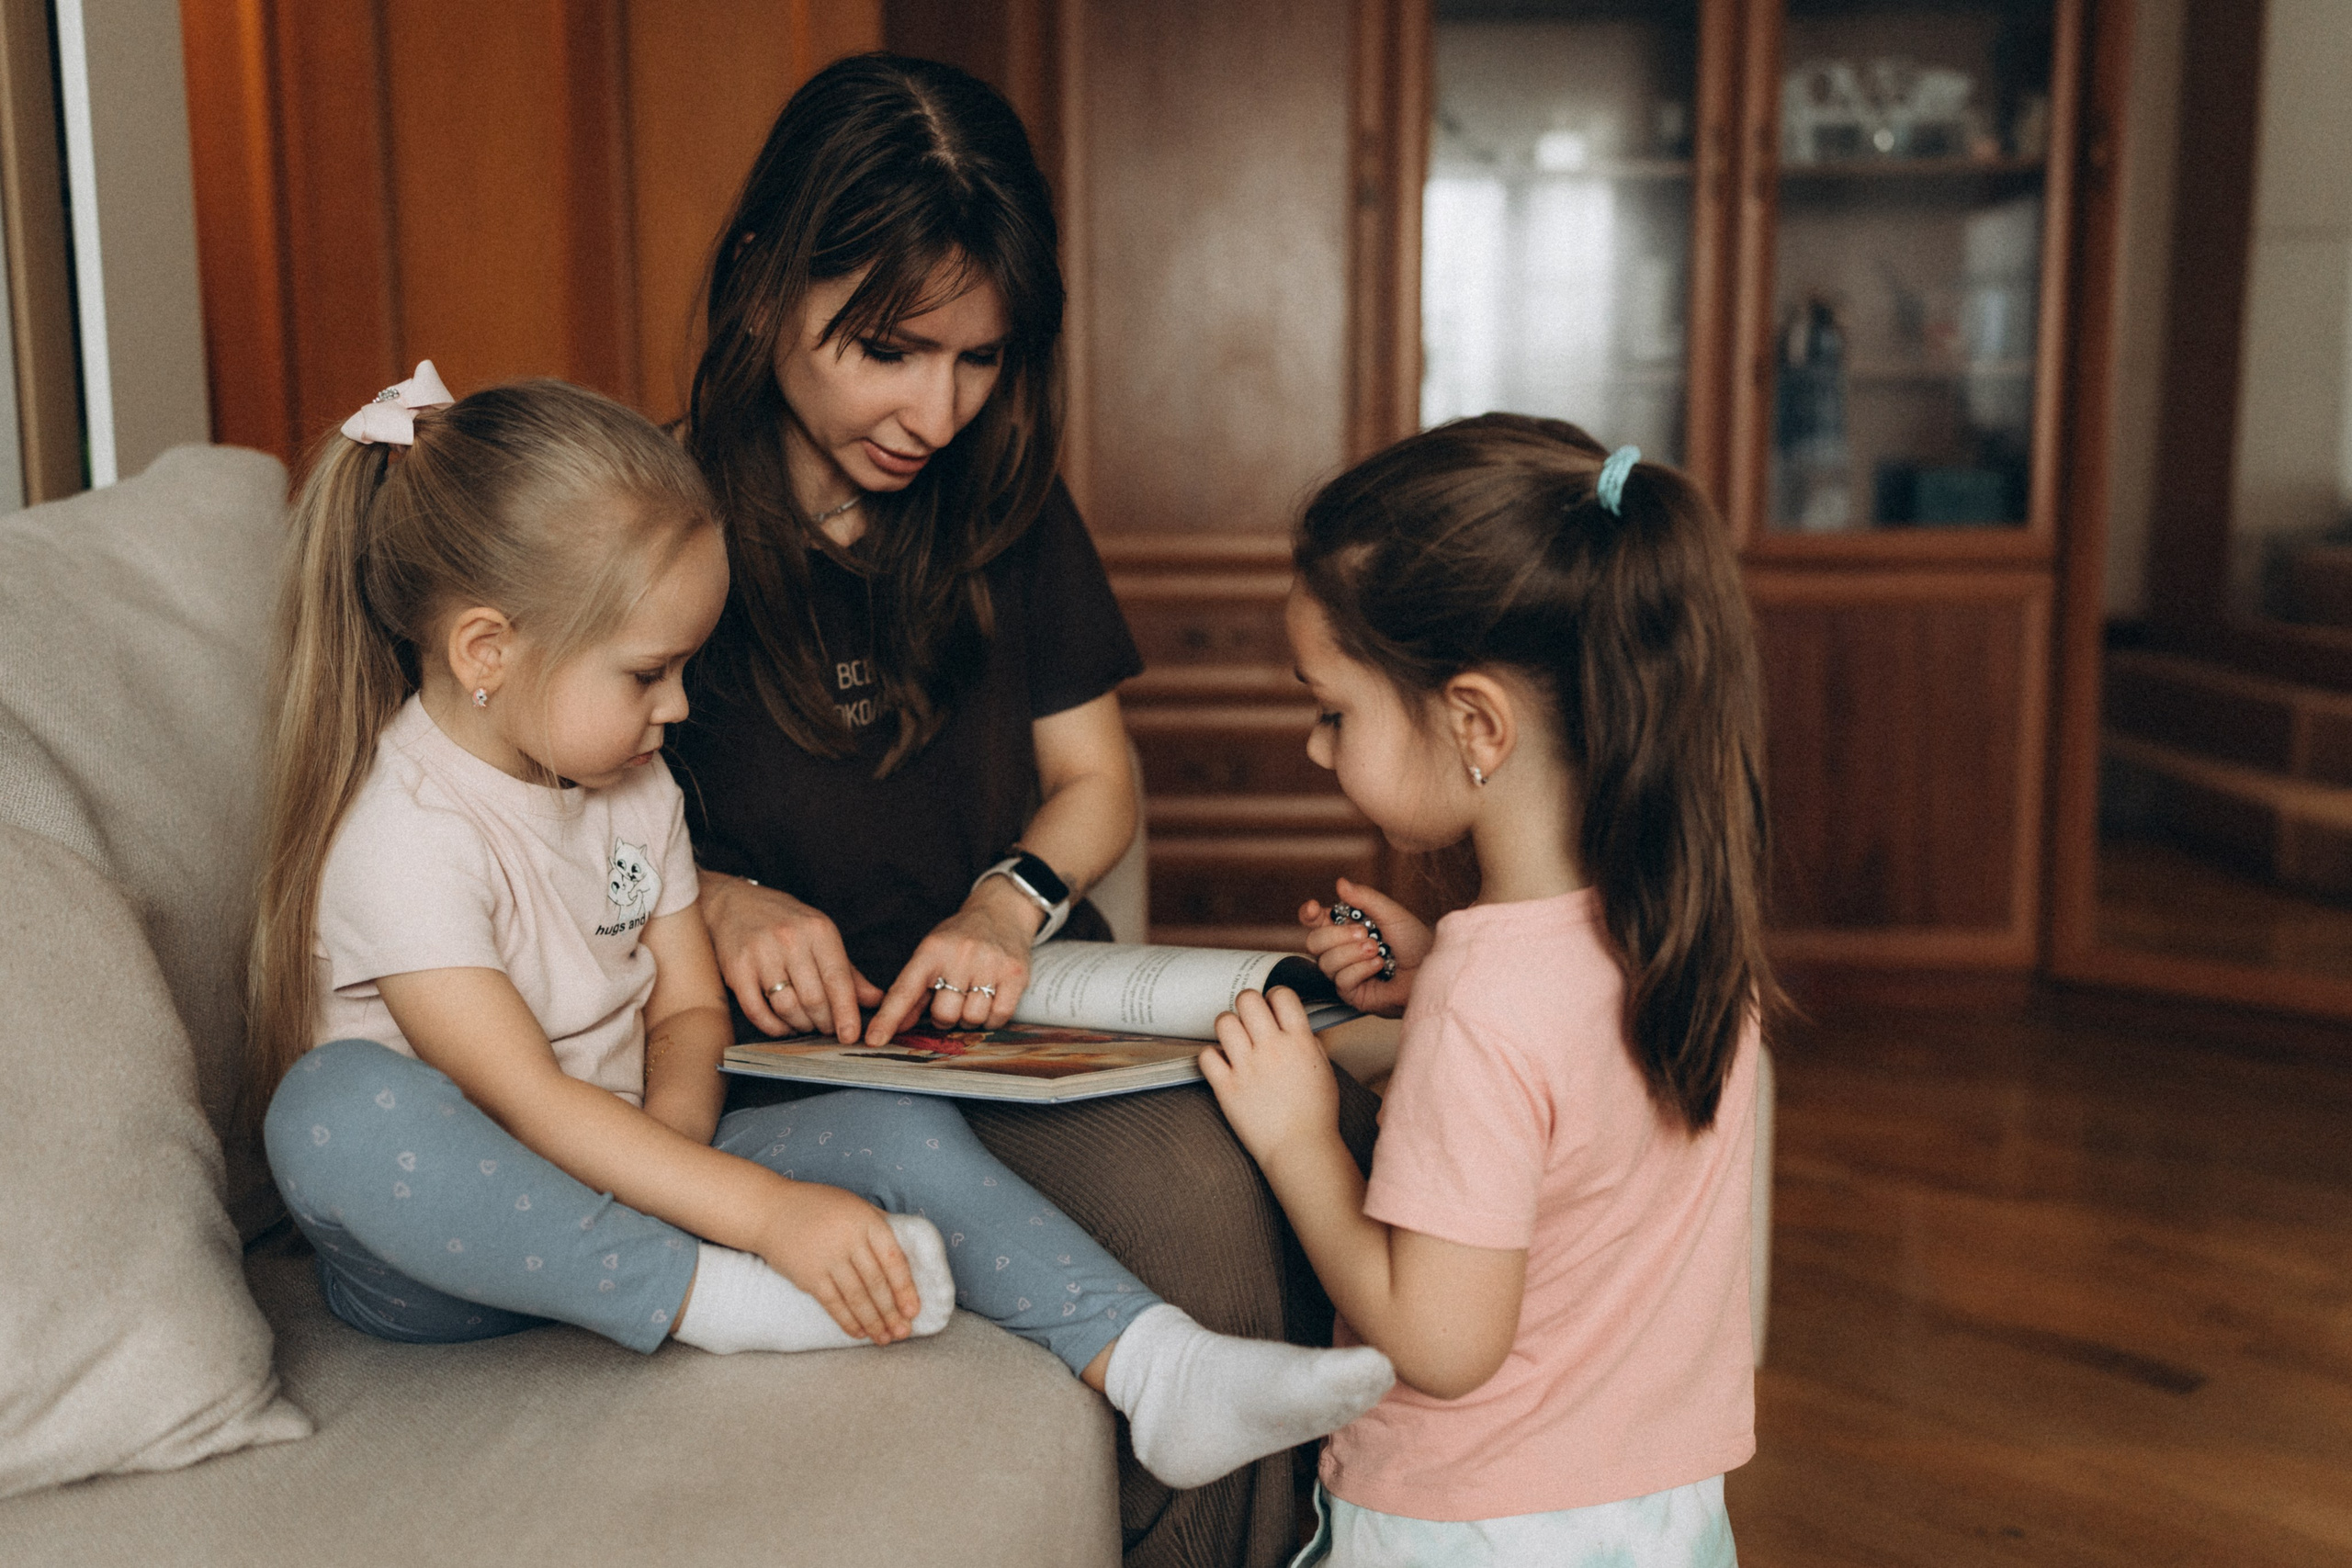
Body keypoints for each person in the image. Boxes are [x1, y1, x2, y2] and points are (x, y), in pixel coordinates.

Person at [246, 367, 1394, 1494]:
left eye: (687, 667)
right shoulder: (405, 835)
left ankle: (1157, 1366)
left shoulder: (632, 785)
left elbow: (689, 1004)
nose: (681, 708)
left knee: (891, 1125)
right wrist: (759, 1214)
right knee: (335, 1110)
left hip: (634, 1166)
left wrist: (684, 1144)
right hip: (455, 1251)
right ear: (486, 654)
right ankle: (719, 1301)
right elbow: (523, 1104)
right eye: (650, 673)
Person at [668, 54, 1385, 1563]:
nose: (935, 409)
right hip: (762, 1069)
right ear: (759, 285)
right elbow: (562, 824)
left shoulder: (1002, 502)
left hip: (983, 1034)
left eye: (980, 359)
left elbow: (1094, 779)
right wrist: (716, 900)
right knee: (1199, 1207)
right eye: (888, 349)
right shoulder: (648, 528)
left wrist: (1006, 899)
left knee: (1230, 1178)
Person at [1203, 418, 1773, 1566]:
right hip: (1659, 1515)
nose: (1317, 750)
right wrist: (1433, 1005)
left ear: (1473, 723)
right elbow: (1587, 1157)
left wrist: (1298, 1138)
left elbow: (1442, 1339)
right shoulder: (1680, 928)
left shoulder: (1487, 1002)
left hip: (1471, 1526)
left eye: (1332, 710)